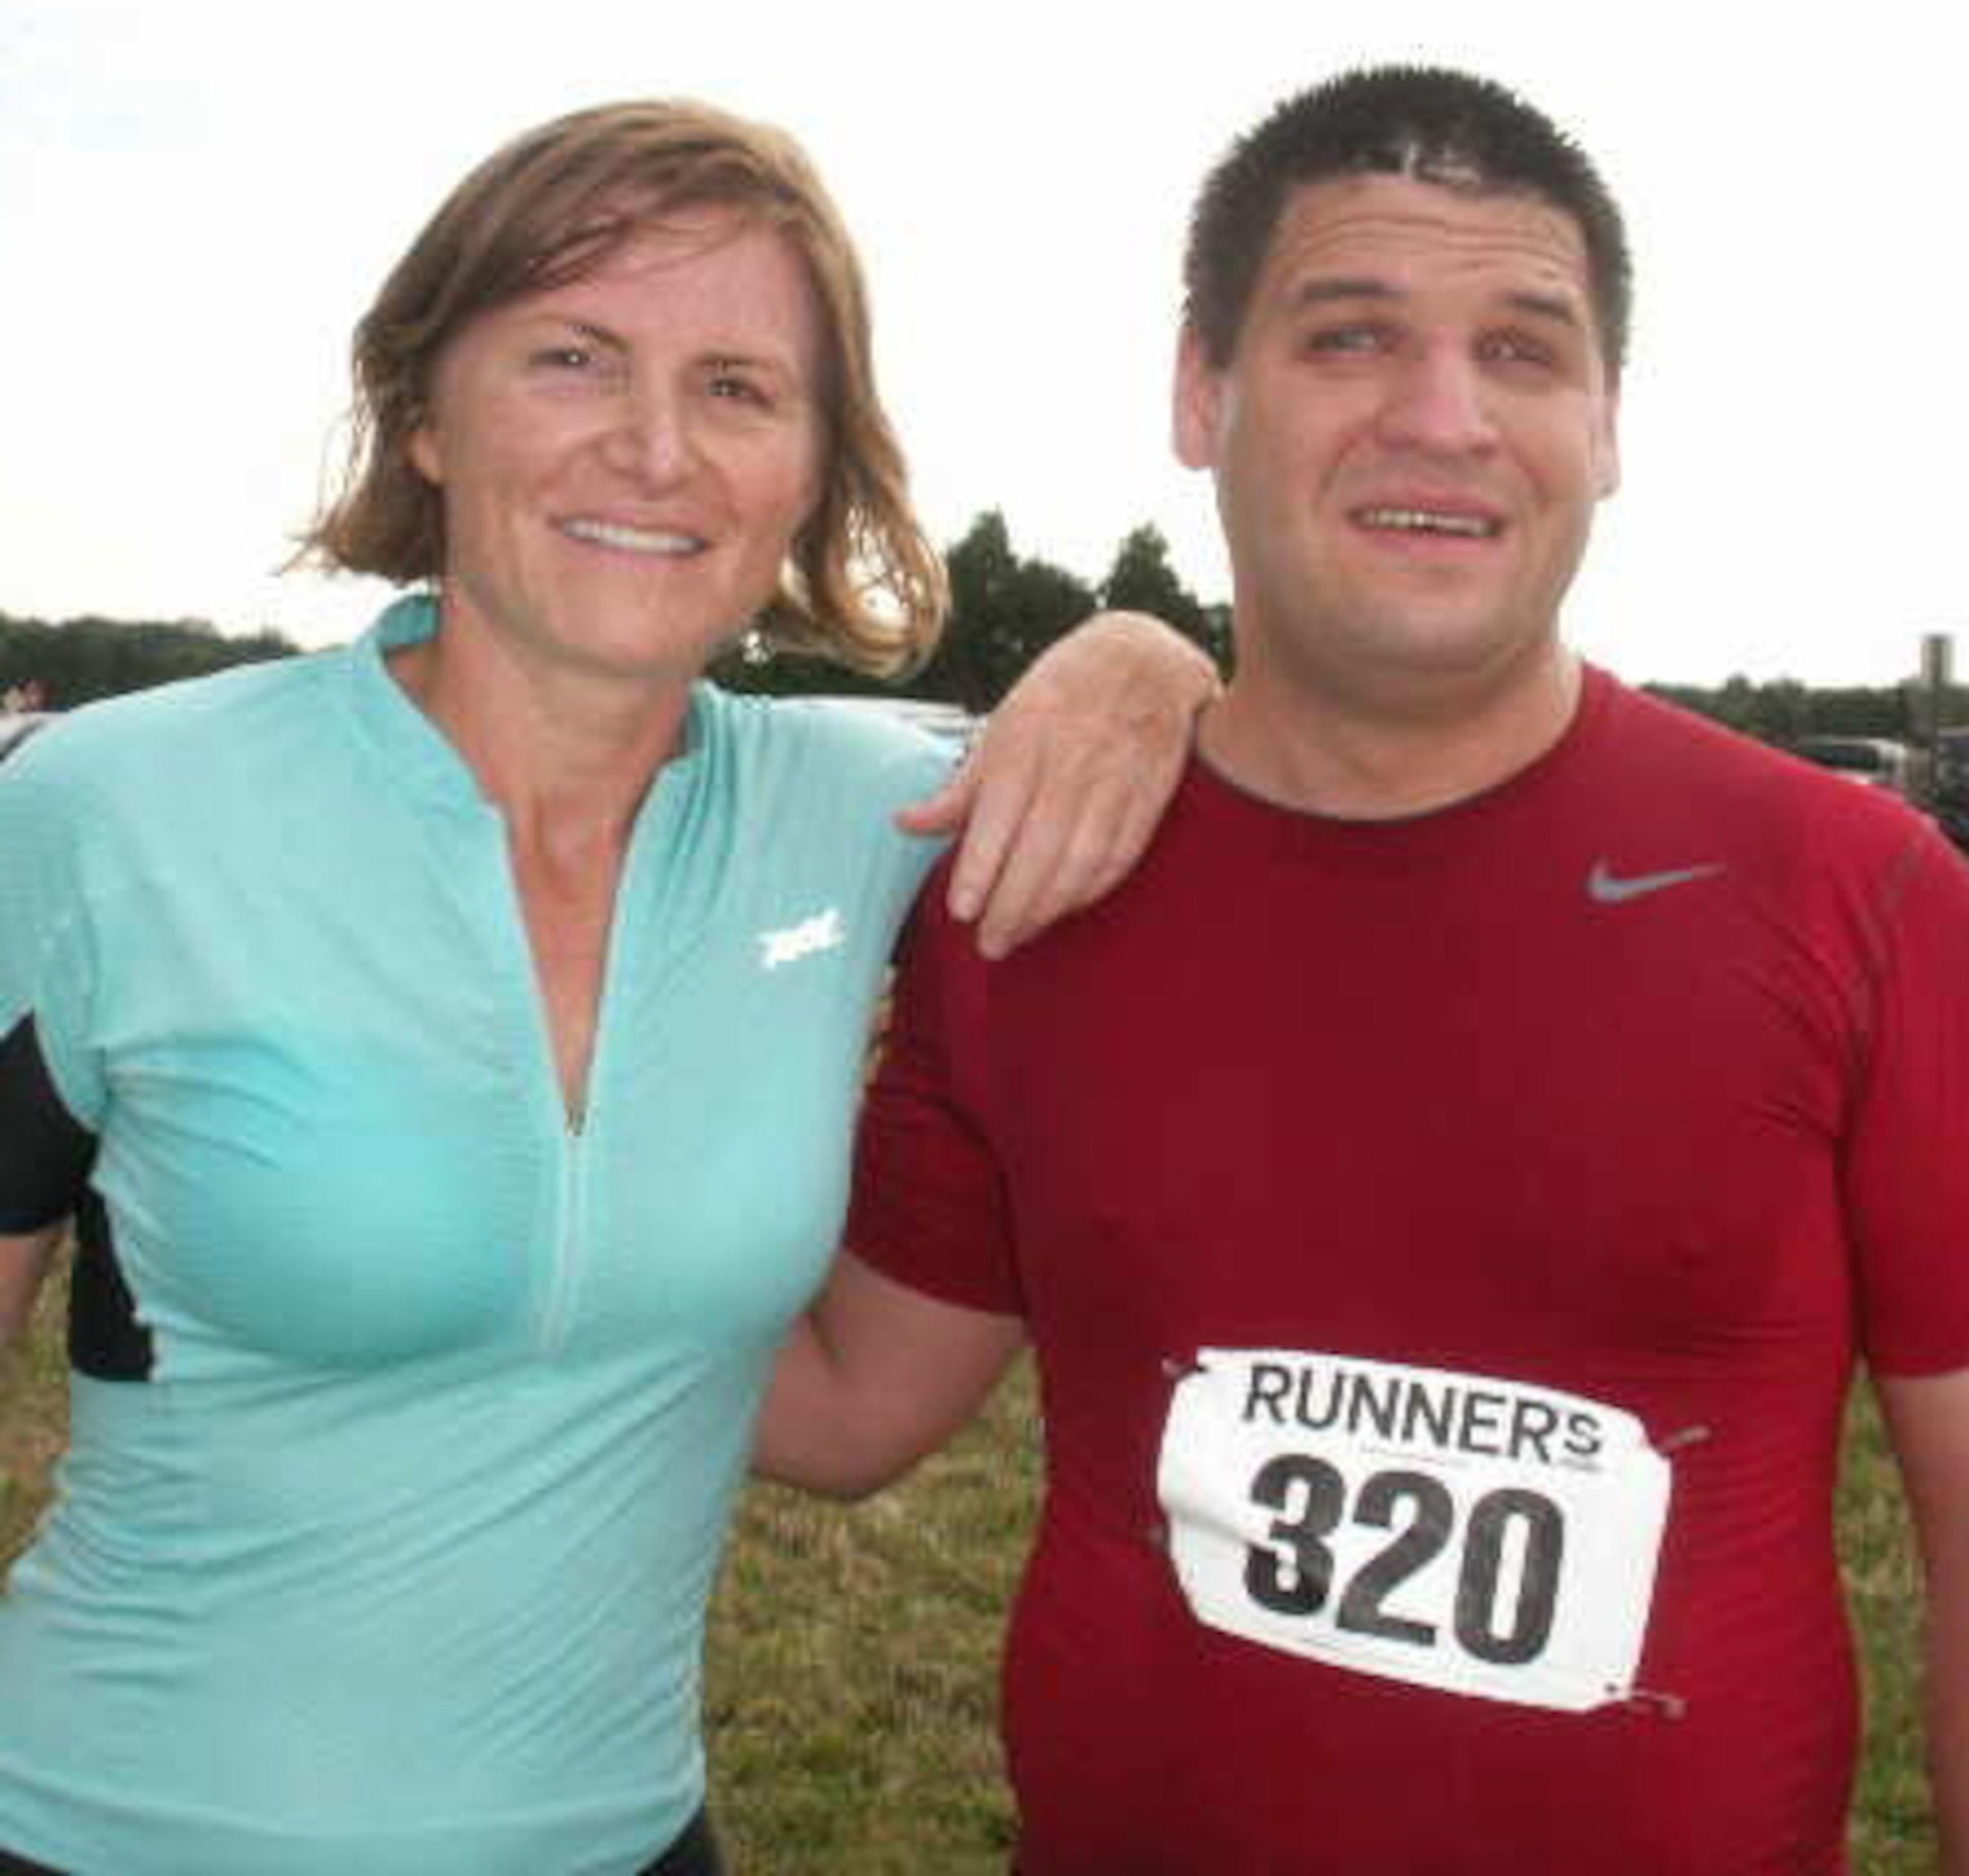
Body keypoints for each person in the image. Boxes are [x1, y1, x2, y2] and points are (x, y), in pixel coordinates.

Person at [757, 64, 1969, 1875]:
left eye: (1525, 351)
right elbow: (849, 1405)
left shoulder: (1854, 889)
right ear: (1201, 387)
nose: (1445, 416)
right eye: (1350, 336)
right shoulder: (1034, 881)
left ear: (1610, 419)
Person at [0, 100, 1217, 1876]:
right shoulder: (107, 812)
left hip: (628, 1841)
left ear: (816, 463)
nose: (656, 448)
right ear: (426, 408)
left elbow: (844, 1421)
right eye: (574, 358)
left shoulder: (870, 815)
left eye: (738, 386)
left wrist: (1149, 652)